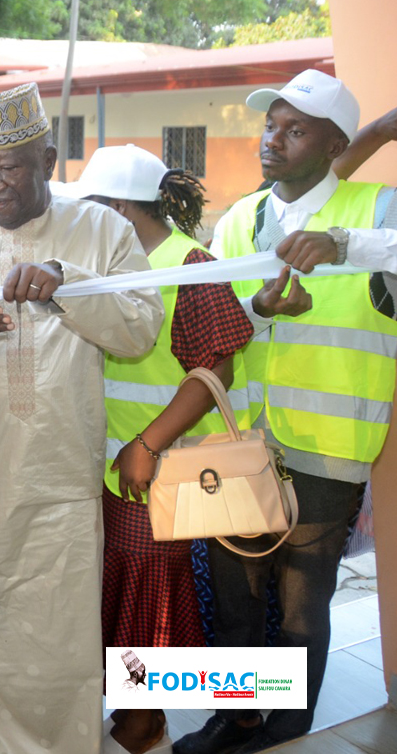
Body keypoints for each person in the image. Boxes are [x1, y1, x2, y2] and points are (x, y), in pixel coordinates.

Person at [0, 83, 163, 754]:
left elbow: (141, 332)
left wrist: (71, 282)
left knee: (60, 639)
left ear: (49, 160)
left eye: (11, 168)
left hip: (59, 479)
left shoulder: (103, 231)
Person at [175, 70, 397, 754]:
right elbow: (223, 315)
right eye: (270, 126)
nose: (272, 141)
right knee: (236, 589)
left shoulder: (377, 208)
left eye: (294, 130)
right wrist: (260, 310)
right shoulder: (243, 218)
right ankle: (239, 718)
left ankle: (290, 725)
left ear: (334, 145)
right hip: (240, 438)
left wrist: (346, 246)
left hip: (330, 443)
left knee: (303, 602)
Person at [64, 145, 255, 754]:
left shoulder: (186, 264)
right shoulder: (115, 267)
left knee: (154, 601)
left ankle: (148, 717)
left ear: (119, 209)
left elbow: (216, 367)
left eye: (91, 208)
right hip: (122, 467)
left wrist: (147, 444)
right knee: (130, 597)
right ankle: (139, 705)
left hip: (168, 470)